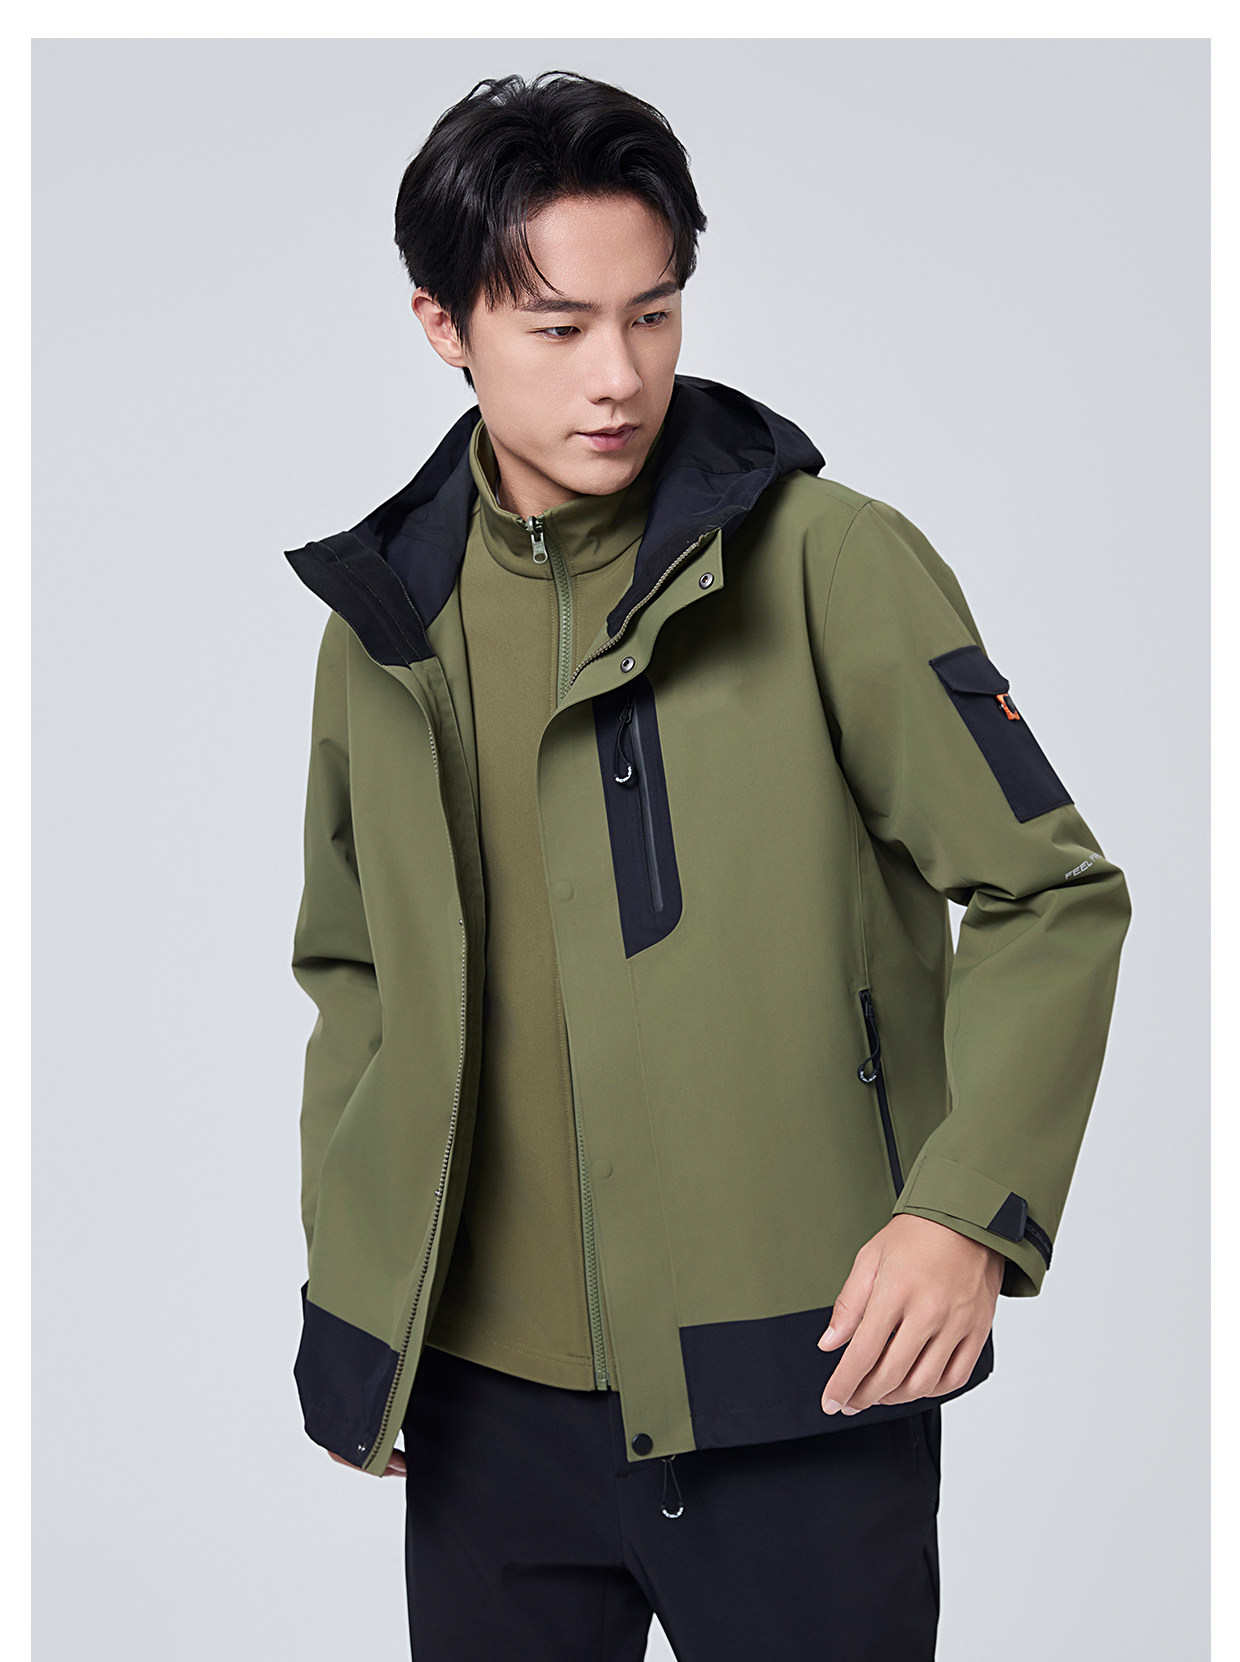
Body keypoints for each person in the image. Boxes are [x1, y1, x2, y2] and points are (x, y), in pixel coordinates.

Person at [284, 70, 1131, 1660]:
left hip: (798, 1373)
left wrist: (967, 1210)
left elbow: (1051, 892)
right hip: (483, 1413)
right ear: (441, 323)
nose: (619, 375)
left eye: (654, 314)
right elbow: (357, 977)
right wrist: (363, 1308)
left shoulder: (828, 561)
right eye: (558, 328)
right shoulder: (384, 627)